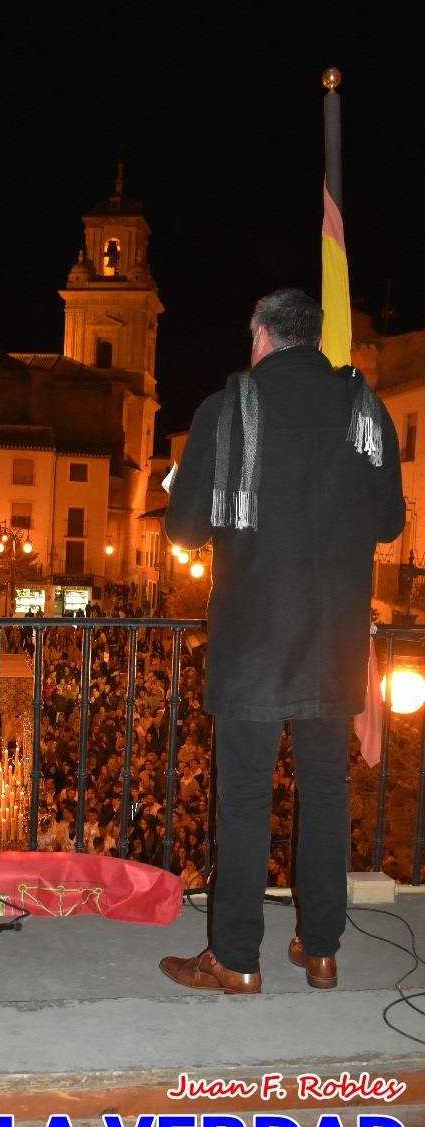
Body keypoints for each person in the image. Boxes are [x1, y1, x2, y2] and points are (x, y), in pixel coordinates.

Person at [159, 289, 405, 995]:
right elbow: (388, 525)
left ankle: (236, 959)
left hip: (253, 645)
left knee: (244, 798)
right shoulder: (365, 410)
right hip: (334, 642)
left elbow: (183, 533)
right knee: (326, 791)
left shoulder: (227, 408)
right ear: (315, 339)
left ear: (260, 337)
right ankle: (321, 948)